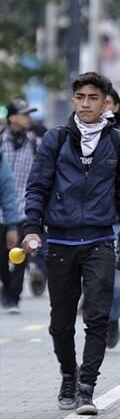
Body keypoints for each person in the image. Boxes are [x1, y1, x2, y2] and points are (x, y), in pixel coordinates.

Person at [22, 72, 120, 416]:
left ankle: (87, 386)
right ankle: (67, 375)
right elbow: (38, 186)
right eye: (81, 97)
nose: (87, 103)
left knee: (98, 317)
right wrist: (33, 227)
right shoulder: (55, 139)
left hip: (100, 240)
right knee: (60, 322)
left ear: (106, 102)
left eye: (94, 97)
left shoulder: (119, 142)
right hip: (59, 241)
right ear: (73, 100)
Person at [1, 98, 39, 313]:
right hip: (1, 210)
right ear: (12, 118)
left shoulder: (35, 142)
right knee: (1, 257)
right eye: (25, 114)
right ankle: (6, 286)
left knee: (22, 253)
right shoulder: (0, 142)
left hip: (26, 208)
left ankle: (14, 296)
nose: (29, 118)